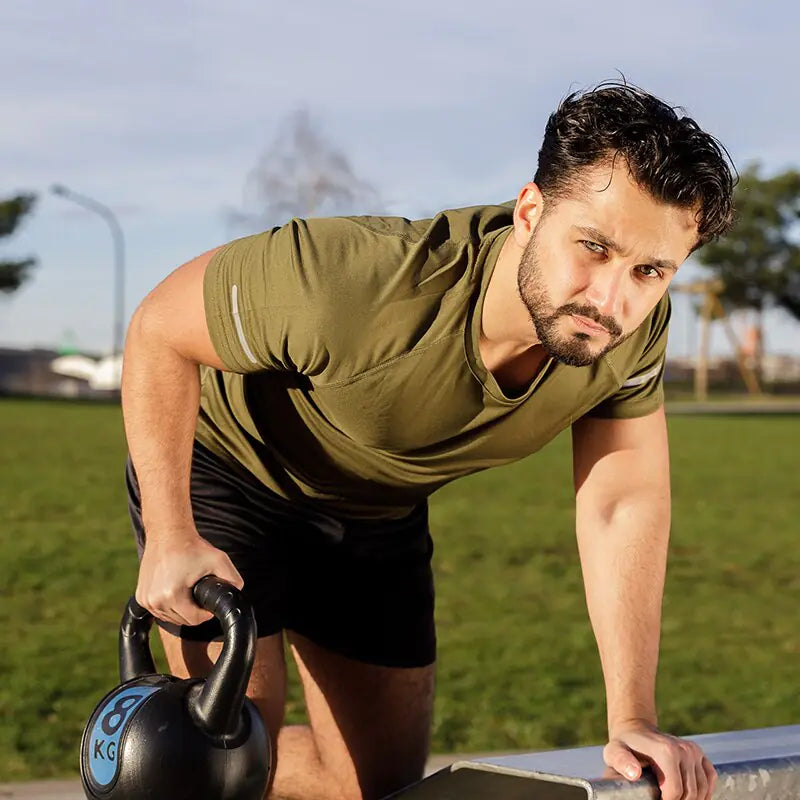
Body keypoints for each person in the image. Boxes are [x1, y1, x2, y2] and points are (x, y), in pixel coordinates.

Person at [123, 82, 735, 800]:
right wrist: (169, 534)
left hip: (376, 515)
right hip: (231, 476)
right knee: (225, 758)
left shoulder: (631, 334)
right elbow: (160, 328)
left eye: (650, 270)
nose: (612, 298)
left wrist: (633, 715)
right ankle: (163, 757)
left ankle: (171, 754)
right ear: (531, 210)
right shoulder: (358, 281)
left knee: (372, 785)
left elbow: (622, 501)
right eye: (594, 247)